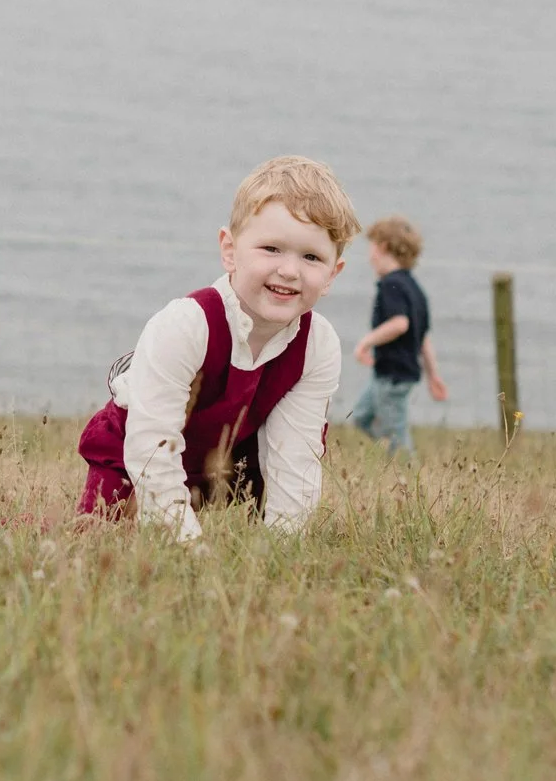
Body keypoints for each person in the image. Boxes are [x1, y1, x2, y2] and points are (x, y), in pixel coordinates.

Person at [76, 157, 362, 539]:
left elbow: (296, 458)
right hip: (132, 457)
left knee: (279, 496)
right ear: (229, 250)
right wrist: (185, 543)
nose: (290, 271)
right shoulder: (186, 324)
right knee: (96, 537)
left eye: (311, 257)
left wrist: (280, 551)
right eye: (271, 249)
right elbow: (150, 446)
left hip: (226, 466)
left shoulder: (318, 344)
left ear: (332, 274)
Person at [347, 216, 444, 456]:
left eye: (371, 248)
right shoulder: (414, 288)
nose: (370, 256)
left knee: (397, 435)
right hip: (387, 373)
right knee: (361, 417)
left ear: (382, 247)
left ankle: (407, 472)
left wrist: (365, 343)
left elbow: (400, 324)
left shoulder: (391, 284)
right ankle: (391, 454)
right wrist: (434, 376)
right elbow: (423, 338)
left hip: (394, 376)